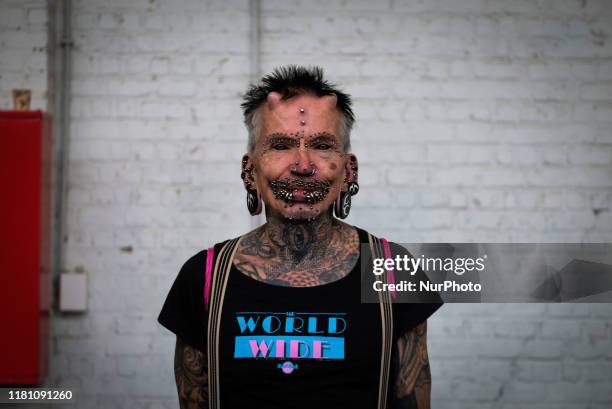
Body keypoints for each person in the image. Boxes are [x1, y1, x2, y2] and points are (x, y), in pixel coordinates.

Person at [158, 65, 443, 409]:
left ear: (349, 169)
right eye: (280, 145)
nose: (303, 165)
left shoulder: (394, 271)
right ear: (250, 171)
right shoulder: (203, 277)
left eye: (322, 145)